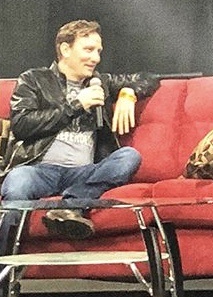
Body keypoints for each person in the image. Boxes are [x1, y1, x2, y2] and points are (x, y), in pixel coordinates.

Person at [0, 19, 159, 252]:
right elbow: (22, 124)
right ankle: (5, 263)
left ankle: (71, 205)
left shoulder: (100, 82)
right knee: (17, 182)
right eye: (88, 50)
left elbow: (149, 78)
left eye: (98, 51)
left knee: (129, 156)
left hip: (83, 173)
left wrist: (128, 93)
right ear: (66, 49)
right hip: (38, 170)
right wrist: (75, 105)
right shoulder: (34, 79)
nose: (96, 58)